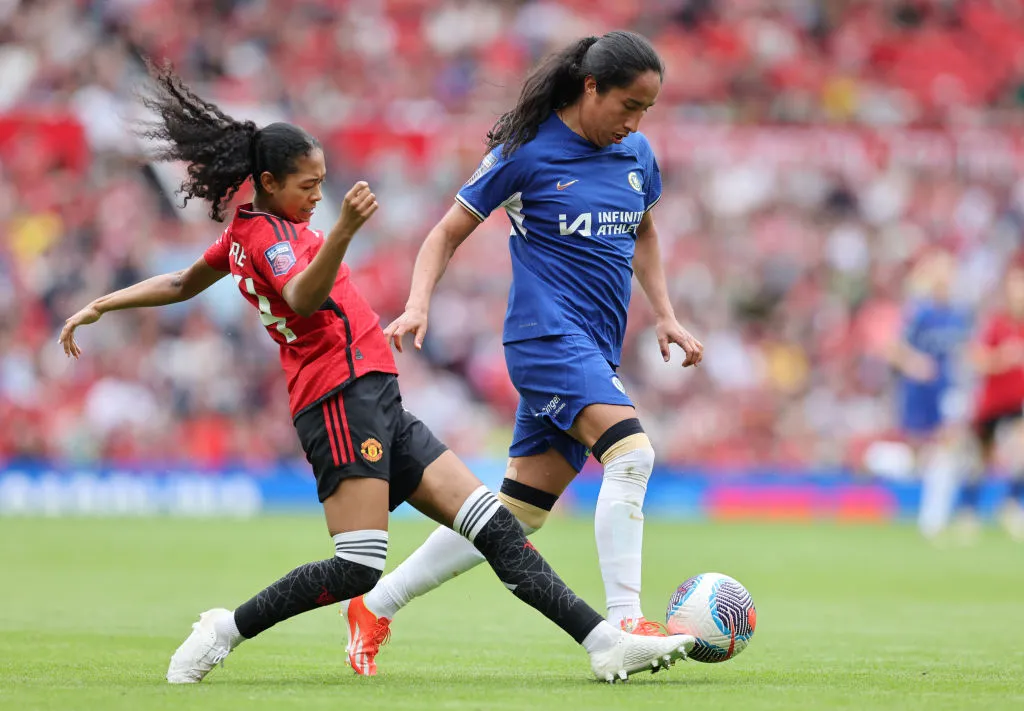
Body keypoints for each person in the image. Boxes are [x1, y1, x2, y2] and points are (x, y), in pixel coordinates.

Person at [57, 61, 694, 684]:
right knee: (358, 563)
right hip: (335, 397)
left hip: (376, 392)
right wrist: (343, 230)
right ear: (269, 182)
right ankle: (224, 629)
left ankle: (604, 643)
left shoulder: (247, 238)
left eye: (323, 183)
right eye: (307, 185)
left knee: (499, 525)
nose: (317, 195)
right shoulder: (267, 238)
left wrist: (103, 303)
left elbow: (179, 281)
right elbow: (304, 297)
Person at [342, 30, 704, 676]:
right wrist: (419, 301)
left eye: (647, 109)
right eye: (628, 104)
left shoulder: (637, 155)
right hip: (544, 340)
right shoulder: (527, 152)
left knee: (520, 513)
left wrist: (667, 315)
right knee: (632, 452)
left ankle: (377, 601)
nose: (636, 121)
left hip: (592, 348)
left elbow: (644, 229)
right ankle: (625, 620)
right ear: (589, 87)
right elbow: (445, 231)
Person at [885, 250, 972, 540]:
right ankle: (874, 465)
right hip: (919, 391)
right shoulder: (920, 313)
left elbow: (962, 352)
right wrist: (916, 364)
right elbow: (895, 349)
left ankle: (935, 518)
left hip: (945, 391)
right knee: (917, 455)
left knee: (947, 449)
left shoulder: (958, 315)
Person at [962, 258, 1024, 541]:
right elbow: (976, 359)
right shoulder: (996, 324)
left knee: (1020, 451)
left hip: (1017, 404)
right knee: (980, 460)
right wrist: (1002, 358)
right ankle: (969, 513)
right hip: (991, 403)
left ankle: (1011, 504)